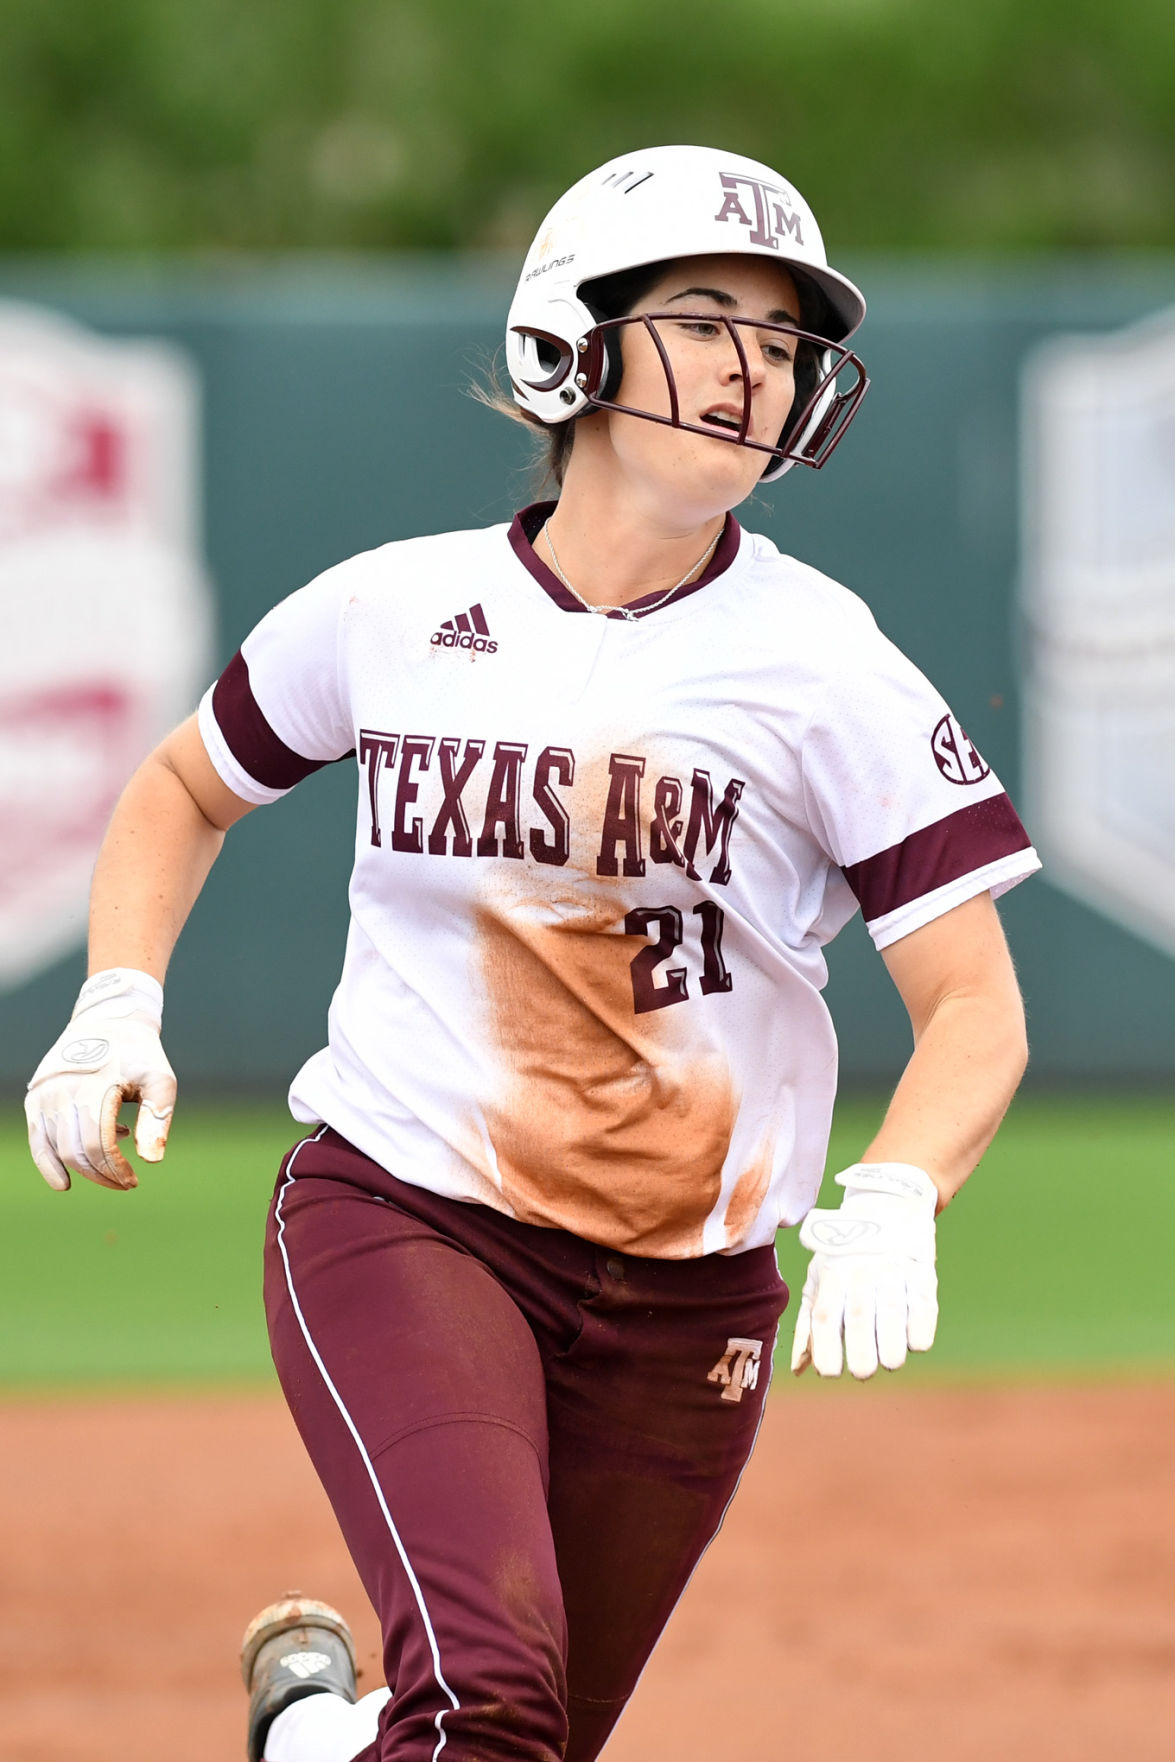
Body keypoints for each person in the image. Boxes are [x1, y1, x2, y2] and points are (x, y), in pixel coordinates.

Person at [25, 144, 1038, 1762]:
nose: (753, 369)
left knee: (516, 1743)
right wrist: (117, 999)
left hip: (688, 1294)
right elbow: (178, 786)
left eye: (785, 345)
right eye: (709, 319)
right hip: (410, 1215)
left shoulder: (825, 661)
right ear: (570, 333)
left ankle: (308, 1740)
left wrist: (901, 1185)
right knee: (489, 1702)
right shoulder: (390, 611)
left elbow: (974, 1007)